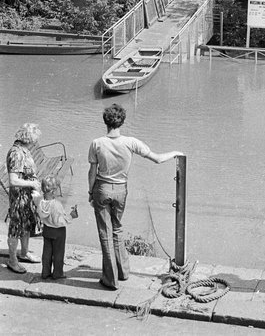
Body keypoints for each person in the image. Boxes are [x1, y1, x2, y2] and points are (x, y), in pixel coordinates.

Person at [88, 103, 184, 290]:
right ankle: (123, 272)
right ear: (121, 122)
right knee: (117, 229)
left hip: (102, 187)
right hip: (121, 190)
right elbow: (156, 158)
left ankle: (110, 278)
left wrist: (90, 193)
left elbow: (92, 172)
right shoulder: (131, 142)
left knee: (104, 233)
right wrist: (175, 153)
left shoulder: (97, 143)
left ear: (105, 122)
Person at [6, 122, 42, 273]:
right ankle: (12, 260)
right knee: (16, 227)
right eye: (35, 137)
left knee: (26, 225)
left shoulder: (24, 150)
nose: (36, 141)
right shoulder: (16, 153)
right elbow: (13, 180)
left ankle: (24, 253)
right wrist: (32, 183)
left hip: (27, 196)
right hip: (19, 198)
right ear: (28, 137)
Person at [32, 175, 78, 280]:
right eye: (57, 189)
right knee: (58, 253)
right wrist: (71, 216)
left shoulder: (40, 203)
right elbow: (60, 221)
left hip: (47, 229)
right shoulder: (56, 205)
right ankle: (58, 273)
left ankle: (45, 272)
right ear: (53, 191)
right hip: (58, 232)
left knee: (47, 253)